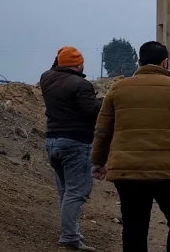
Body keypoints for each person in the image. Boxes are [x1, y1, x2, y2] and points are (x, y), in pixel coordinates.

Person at [90, 41, 170, 252]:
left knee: (134, 224)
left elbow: (103, 130)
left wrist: (98, 161)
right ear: (165, 62)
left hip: (128, 171)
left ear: (139, 61)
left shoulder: (118, 88)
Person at [40, 46, 103, 251]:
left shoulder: (46, 78)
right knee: (77, 192)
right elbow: (91, 111)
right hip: (76, 142)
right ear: (78, 64)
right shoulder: (80, 84)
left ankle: (70, 231)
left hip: (52, 140)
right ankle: (69, 237)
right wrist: (103, 102)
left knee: (65, 191)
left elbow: (54, 68)